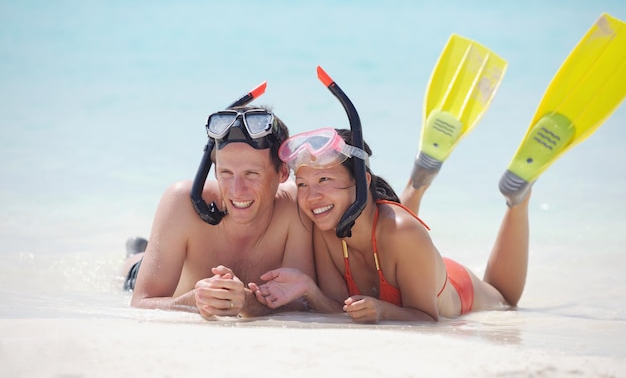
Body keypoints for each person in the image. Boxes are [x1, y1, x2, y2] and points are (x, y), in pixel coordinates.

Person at [249, 127, 530, 323]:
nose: (312, 197)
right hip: (409, 258)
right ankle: (418, 180)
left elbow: (429, 319)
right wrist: (309, 289)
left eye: (325, 180)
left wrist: (383, 312)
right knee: (387, 225)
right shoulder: (326, 229)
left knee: (505, 299)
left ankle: (518, 200)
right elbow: (339, 312)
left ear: (363, 181)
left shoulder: (404, 232)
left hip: (455, 287)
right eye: (302, 185)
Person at [123, 104, 316, 320]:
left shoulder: (295, 207)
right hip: (148, 275)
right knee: (134, 265)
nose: (236, 190)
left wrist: (248, 302)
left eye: (251, 173)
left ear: (282, 172)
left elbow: (303, 304)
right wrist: (192, 301)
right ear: (214, 170)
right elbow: (140, 302)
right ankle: (135, 254)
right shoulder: (182, 201)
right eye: (225, 173)